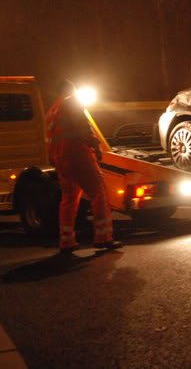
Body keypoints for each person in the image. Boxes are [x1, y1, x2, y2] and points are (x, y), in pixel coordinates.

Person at [45, 79, 122, 255]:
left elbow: (51, 139)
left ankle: (66, 241)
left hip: (61, 158)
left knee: (69, 199)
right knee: (98, 192)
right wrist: (95, 147)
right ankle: (103, 238)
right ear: (71, 90)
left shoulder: (52, 111)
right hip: (77, 154)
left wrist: (54, 159)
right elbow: (83, 128)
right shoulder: (71, 101)